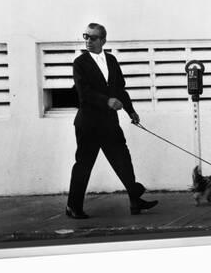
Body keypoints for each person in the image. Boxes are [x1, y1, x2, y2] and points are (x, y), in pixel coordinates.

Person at [66, 23, 158, 219]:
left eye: (93, 37)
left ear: (103, 40)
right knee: (83, 165)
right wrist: (107, 101)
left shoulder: (112, 60)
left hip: (109, 124)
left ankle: (135, 201)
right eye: (86, 37)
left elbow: (120, 90)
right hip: (88, 124)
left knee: (123, 160)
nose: (88, 41)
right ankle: (73, 207)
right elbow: (84, 93)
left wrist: (130, 111)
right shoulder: (80, 62)